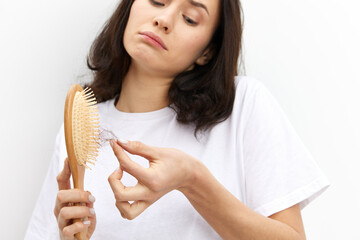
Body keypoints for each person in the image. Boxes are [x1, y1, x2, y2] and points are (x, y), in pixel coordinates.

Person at [25, 0, 330, 239]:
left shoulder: (243, 105)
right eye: (157, 0)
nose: (164, 20)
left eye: (190, 18)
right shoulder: (81, 124)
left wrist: (192, 180)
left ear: (207, 52)